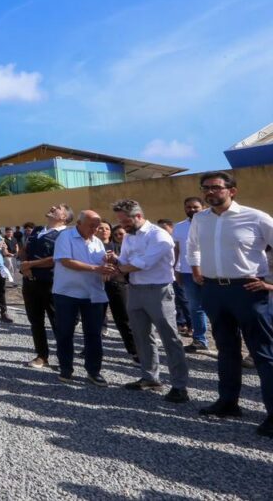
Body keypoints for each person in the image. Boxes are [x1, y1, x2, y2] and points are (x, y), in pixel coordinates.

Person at [187, 171, 273, 437]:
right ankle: (228, 402)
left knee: (264, 354)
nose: (210, 192)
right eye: (205, 188)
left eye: (215, 188)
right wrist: (197, 270)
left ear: (232, 190)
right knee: (226, 350)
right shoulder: (201, 219)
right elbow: (193, 246)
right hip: (213, 290)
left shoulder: (255, 217)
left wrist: (271, 284)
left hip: (247, 290)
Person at [110, 200, 189, 403]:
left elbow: (143, 263)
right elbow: (126, 260)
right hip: (135, 290)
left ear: (138, 216)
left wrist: (121, 268)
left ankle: (179, 386)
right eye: (119, 220)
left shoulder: (159, 236)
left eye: (124, 220)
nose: (122, 225)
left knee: (170, 337)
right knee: (141, 336)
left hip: (158, 291)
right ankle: (150, 377)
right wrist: (113, 260)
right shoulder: (129, 237)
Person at [52, 210, 109, 385]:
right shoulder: (65, 237)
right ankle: (66, 368)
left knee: (93, 334)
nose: (95, 229)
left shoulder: (97, 242)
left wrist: (108, 260)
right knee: (65, 332)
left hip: (92, 294)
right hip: (67, 293)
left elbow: (100, 263)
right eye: (92, 225)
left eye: (97, 226)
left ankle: (93, 371)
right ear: (79, 223)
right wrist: (95, 268)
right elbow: (65, 261)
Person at [20, 204, 71, 368]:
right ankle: (42, 355)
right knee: (36, 321)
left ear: (63, 217)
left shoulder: (65, 234)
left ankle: (64, 360)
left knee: (58, 322)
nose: (52, 207)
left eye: (58, 207)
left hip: (51, 283)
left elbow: (56, 258)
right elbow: (24, 250)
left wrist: (29, 264)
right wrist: (24, 266)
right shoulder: (37, 230)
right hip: (30, 282)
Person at [96, 220, 138, 362]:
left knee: (123, 319)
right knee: (95, 319)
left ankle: (134, 351)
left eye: (106, 228)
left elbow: (127, 265)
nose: (103, 231)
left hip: (117, 285)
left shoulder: (119, 247)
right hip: (96, 285)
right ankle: (92, 349)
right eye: (100, 228)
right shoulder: (91, 247)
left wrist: (115, 261)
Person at [173, 197, 209, 354]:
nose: (192, 210)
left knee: (217, 308)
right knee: (195, 307)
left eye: (196, 207)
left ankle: (225, 342)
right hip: (188, 273)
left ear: (203, 207)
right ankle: (200, 340)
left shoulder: (211, 223)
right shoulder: (179, 227)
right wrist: (177, 270)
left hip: (211, 273)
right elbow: (177, 250)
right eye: (188, 207)